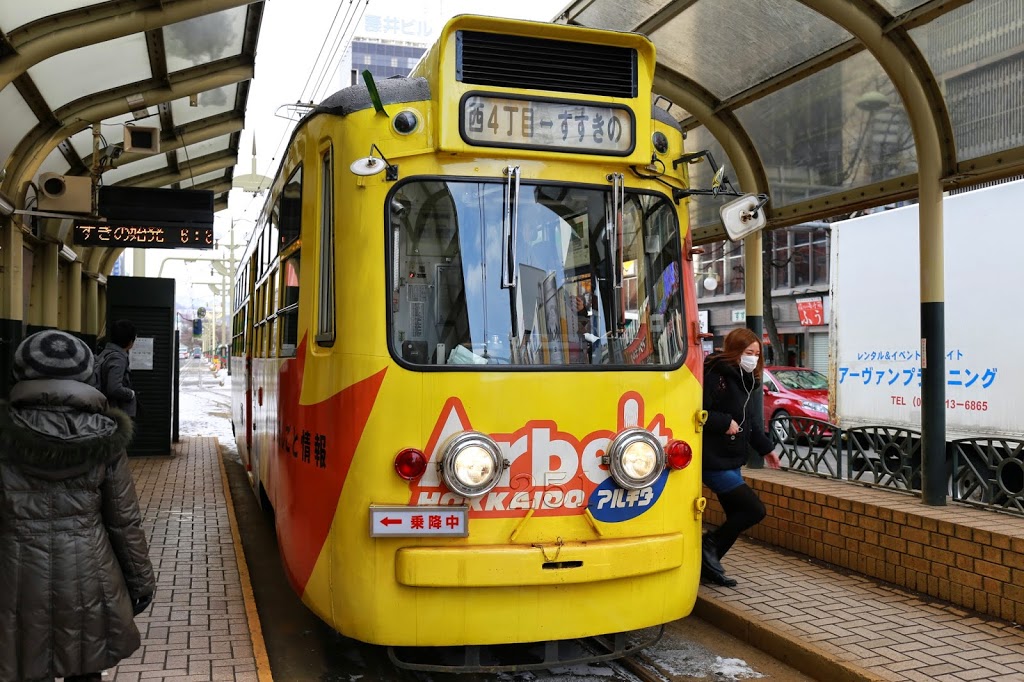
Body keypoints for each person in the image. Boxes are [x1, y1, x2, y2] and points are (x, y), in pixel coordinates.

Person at [0, 329, 156, 681]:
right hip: (88, 577)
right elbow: (124, 522)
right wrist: (141, 583)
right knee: (85, 670)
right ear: (86, 375)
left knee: (23, 665)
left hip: (15, 580)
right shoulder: (106, 438)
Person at [701, 327, 781, 587]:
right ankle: (708, 546)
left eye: (757, 354)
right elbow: (698, 410)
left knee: (737, 514)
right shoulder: (715, 374)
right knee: (752, 510)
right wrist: (724, 422)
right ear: (734, 350)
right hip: (713, 459)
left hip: (732, 458)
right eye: (749, 352)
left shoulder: (746, 380)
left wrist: (766, 449)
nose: (754, 358)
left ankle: (709, 564)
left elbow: (750, 422)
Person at [94, 319, 138, 419]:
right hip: (116, 414)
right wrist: (130, 394)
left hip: (106, 410)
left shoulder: (106, 353)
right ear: (131, 341)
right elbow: (114, 388)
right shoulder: (118, 358)